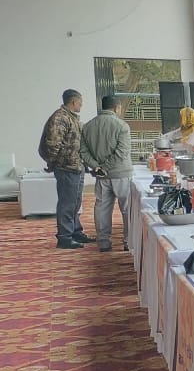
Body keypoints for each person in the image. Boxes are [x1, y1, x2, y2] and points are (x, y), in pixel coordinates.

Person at [38, 89, 94, 249]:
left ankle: (76, 232)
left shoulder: (71, 118)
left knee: (76, 202)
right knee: (67, 203)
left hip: (76, 166)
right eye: (80, 102)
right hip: (66, 167)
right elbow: (52, 144)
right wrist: (53, 163)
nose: (82, 105)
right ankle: (64, 237)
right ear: (73, 101)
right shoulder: (60, 118)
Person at [79, 96, 133, 252]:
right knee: (127, 209)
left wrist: (97, 167)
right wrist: (106, 166)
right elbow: (122, 152)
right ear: (116, 108)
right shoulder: (122, 126)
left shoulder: (88, 126)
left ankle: (103, 243)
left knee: (102, 209)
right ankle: (128, 242)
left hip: (102, 177)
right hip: (121, 174)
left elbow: (83, 151)